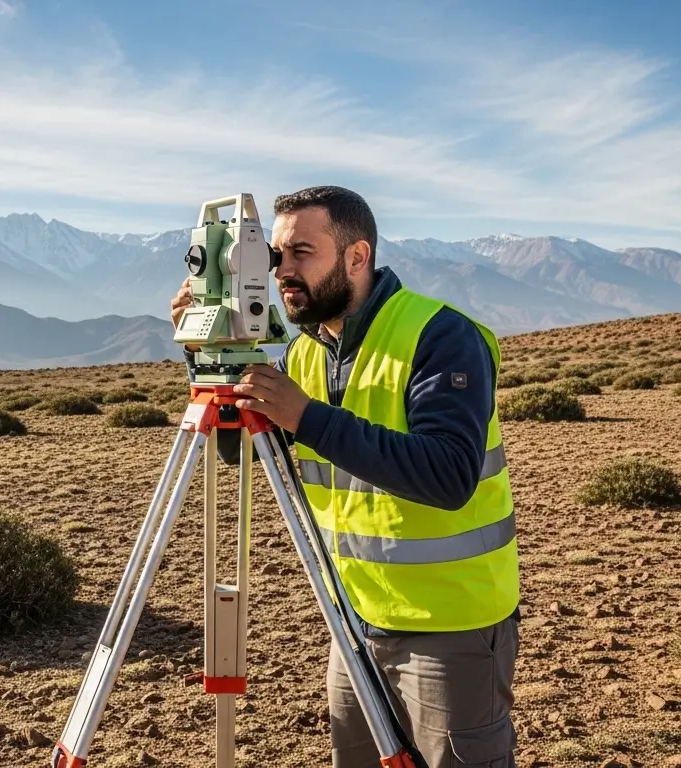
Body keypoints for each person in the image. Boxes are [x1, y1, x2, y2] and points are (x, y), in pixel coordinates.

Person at [171, 185, 520, 768]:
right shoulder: (304, 353)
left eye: (300, 252)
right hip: (354, 621)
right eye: (273, 254)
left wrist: (306, 417)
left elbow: (449, 476)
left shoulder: (440, 336)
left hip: (450, 628)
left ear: (356, 257)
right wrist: (210, 357)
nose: (281, 270)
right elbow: (242, 454)